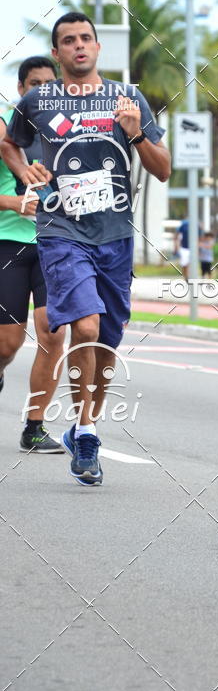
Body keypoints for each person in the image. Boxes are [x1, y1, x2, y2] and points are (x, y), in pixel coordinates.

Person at [2, 12, 171, 486]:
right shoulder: (38, 100)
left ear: (97, 48)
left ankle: (82, 424)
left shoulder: (128, 99)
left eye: (86, 39)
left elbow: (163, 170)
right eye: (68, 41)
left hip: (115, 236)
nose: (79, 46)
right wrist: (25, 170)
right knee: (84, 323)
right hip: (60, 232)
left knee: (107, 341)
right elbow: (10, 143)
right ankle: (90, 430)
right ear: (57, 55)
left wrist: (135, 131)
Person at [0, 56, 66, 452]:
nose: (42, 91)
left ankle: (34, 426)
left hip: (55, 245)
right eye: (34, 85)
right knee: (8, 343)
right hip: (8, 244)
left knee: (52, 334)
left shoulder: (69, 131)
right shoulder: (6, 128)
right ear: (22, 89)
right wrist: (13, 203)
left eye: (49, 84)